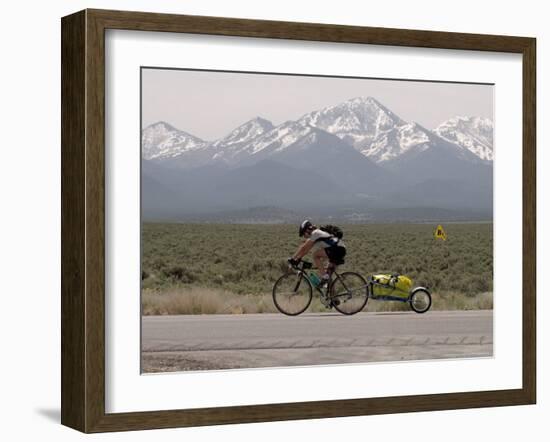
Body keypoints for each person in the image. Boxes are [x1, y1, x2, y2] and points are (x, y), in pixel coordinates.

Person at [288, 220, 346, 287]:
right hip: (339, 249)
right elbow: (306, 250)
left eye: (304, 234)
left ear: (307, 230)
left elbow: (304, 247)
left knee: (315, 255)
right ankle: (333, 296)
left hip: (337, 249)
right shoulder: (316, 235)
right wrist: (298, 258)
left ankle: (324, 276)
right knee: (328, 279)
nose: (304, 236)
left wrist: (293, 258)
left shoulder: (315, 233)